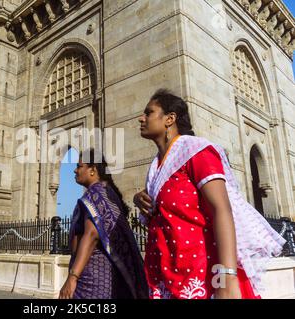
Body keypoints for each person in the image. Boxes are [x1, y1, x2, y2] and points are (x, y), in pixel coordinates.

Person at [133, 89, 285, 299]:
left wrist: (227, 278)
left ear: (170, 119)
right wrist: (139, 198)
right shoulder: (155, 167)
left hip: (202, 277)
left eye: (148, 112)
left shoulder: (197, 151)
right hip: (166, 275)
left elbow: (221, 209)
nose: (141, 118)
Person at [59, 149, 149, 299]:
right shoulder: (106, 193)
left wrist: (72, 277)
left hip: (91, 280)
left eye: (80, 166)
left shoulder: (96, 194)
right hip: (100, 277)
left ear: (93, 170)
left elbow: (92, 234)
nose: (75, 170)